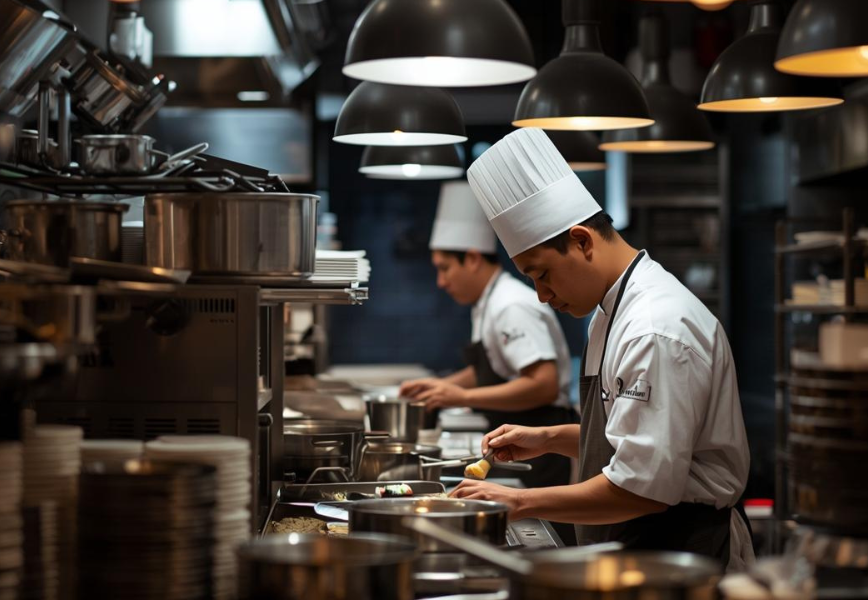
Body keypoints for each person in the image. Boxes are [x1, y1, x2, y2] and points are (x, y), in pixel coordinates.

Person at [451, 128, 754, 571]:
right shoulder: (609, 312)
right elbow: (637, 440)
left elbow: (641, 488)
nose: (542, 296)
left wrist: (518, 502)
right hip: (638, 545)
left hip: (682, 550)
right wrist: (548, 439)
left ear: (582, 241)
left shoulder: (653, 328)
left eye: (542, 275)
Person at [400, 181, 575, 490]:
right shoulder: (488, 302)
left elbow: (543, 385)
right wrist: (444, 386)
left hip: (539, 441)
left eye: (444, 268)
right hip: (513, 436)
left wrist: (462, 397)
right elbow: (492, 368)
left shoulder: (511, 305)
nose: (441, 282)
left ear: (472, 259)